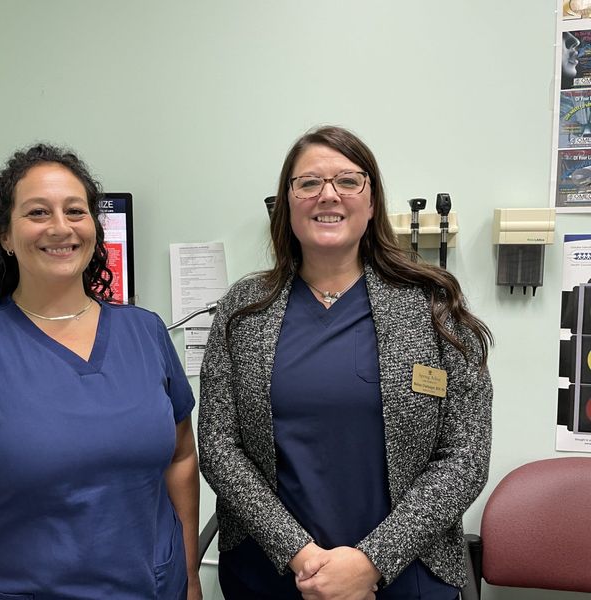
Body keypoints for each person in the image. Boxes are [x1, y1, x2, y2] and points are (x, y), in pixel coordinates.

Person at [0, 143, 202, 600]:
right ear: (5, 235)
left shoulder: (145, 332)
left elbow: (181, 458)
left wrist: (188, 580)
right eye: (37, 213)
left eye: (75, 211)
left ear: (94, 227)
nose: (60, 227)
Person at [198, 126, 493, 600]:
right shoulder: (244, 309)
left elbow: (465, 456)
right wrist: (300, 553)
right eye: (309, 182)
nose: (328, 195)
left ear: (371, 201)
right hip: (273, 574)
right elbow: (218, 444)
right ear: (286, 202)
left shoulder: (432, 304)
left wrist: (371, 561)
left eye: (348, 181)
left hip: (407, 573)